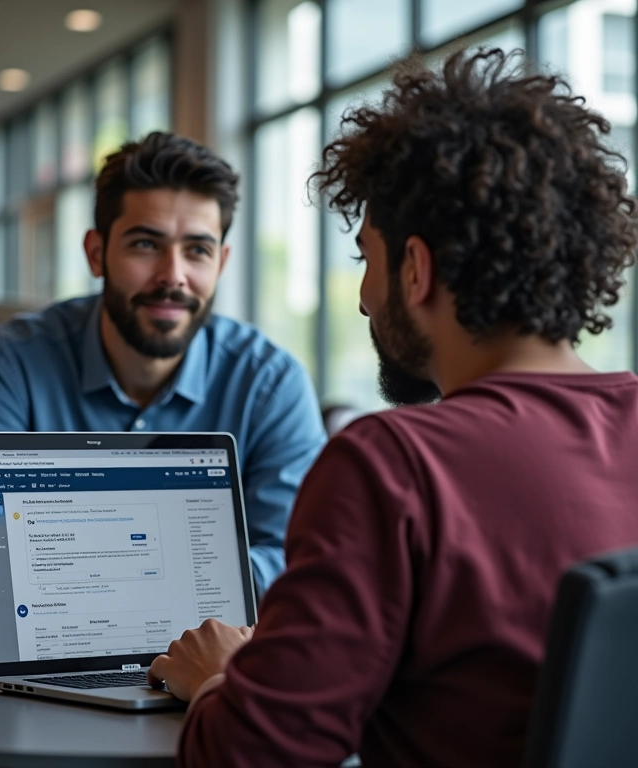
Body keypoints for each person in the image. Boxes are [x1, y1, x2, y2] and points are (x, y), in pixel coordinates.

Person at [146, 48, 638, 767]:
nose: (363, 298)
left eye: (366, 259)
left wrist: (218, 678)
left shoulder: (394, 466)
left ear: (416, 269)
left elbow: (252, 757)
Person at [0, 131, 325, 606]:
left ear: (221, 262)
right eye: (145, 244)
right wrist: (171, 572)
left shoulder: (270, 383)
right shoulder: (14, 361)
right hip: (51, 653)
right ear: (96, 253)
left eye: (197, 250)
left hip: (213, 664)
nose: (172, 276)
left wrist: (88, 571)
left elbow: (296, 558)